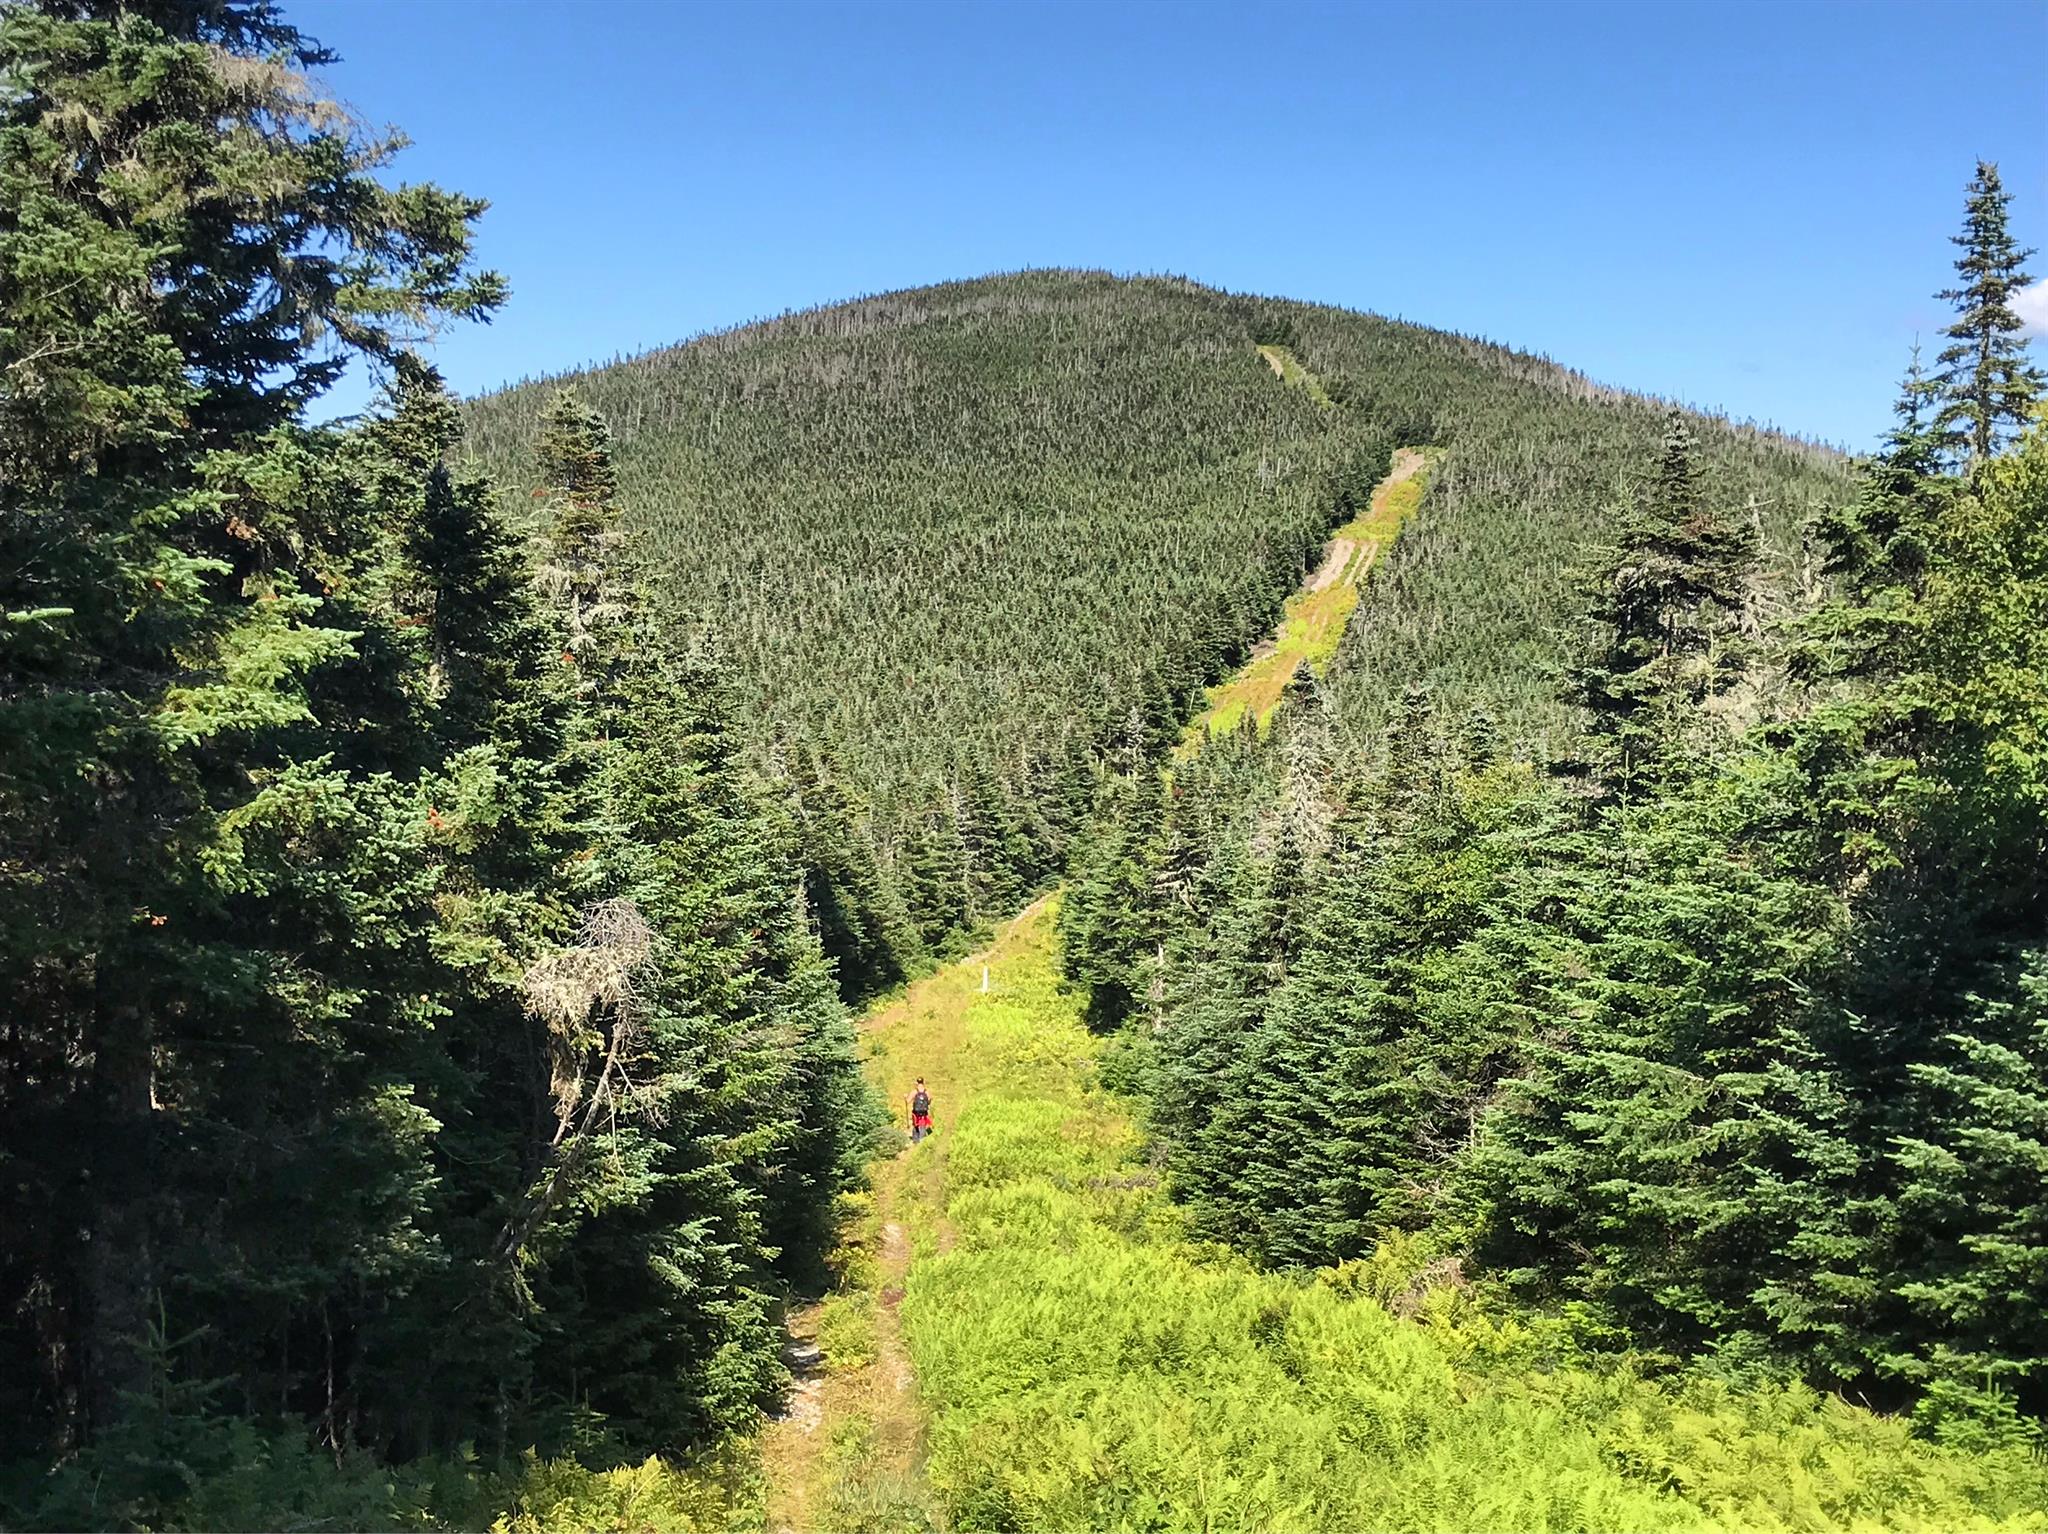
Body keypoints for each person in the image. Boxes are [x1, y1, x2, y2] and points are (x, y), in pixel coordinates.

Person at [908, 1078, 934, 1144]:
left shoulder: (914, 1092)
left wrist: (905, 1097)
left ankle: (915, 1141)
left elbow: (908, 1101)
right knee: (923, 1125)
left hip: (916, 1112)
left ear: (916, 1083)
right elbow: (929, 1101)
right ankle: (923, 1140)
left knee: (915, 1125)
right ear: (923, 1082)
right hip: (924, 1113)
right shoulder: (927, 1092)